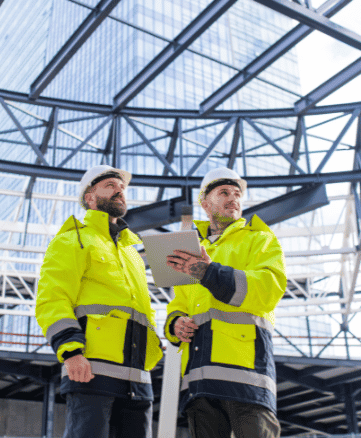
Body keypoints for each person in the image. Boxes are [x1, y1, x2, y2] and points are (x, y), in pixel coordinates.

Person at [36, 165, 163, 438]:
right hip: (91, 370)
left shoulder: (132, 252)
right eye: (110, 186)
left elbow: (140, 310)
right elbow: (52, 299)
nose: (120, 190)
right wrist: (71, 352)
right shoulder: (73, 240)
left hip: (138, 376)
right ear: (90, 198)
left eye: (122, 187)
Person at [164, 167, 286, 438]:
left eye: (237, 194)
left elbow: (267, 290)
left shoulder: (260, 239)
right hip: (200, 380)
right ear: (206, 205)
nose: (234, 199)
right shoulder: (190, 250)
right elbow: (178, 304)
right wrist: (175, 325)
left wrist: (209, 272)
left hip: (247, 376)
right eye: (224, 193)